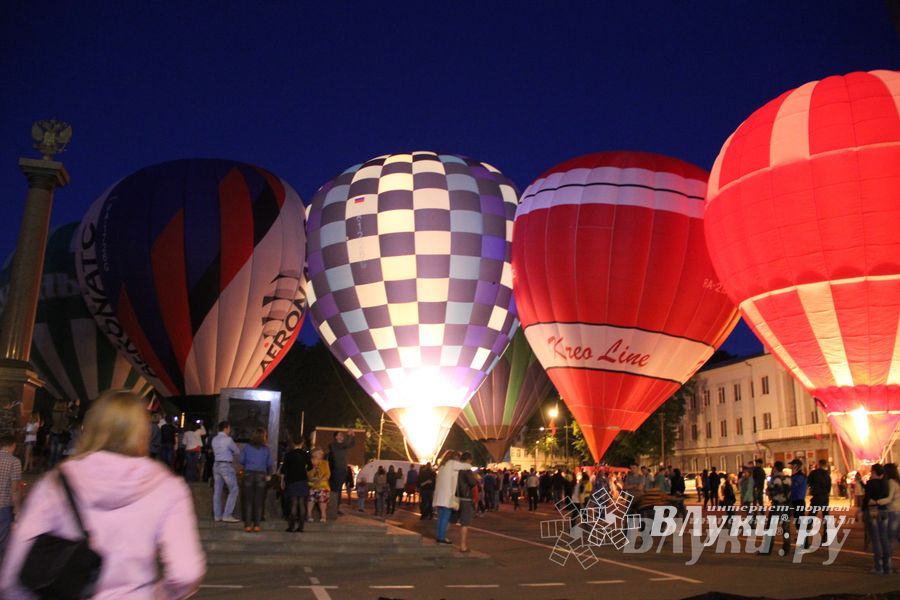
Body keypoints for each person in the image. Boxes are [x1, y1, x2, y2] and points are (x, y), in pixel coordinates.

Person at [0, 391, 205, 598]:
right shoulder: (167, 487)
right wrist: (157, 594)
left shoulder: (57, 482)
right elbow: (186, 572)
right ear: (142, 431)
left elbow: (15, 568)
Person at [239, 428, 272, 532]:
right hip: (261, 476)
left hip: (248, 474)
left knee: (248, 501)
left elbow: (241, 460)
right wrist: (269, 474)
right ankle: (257, 525)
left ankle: (248, 525)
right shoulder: (266, 449)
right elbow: (269, 464)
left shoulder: (247, 448)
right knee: (258, 501)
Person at [861, 464, 890, 574]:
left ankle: (879, 566)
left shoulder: (871, 483)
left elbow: (866, 499)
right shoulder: (885, 483)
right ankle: (887, 565)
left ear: (873, 472)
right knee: (884, 538)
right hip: (884, 510)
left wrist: (863, 510)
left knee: (875, 539)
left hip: (873, 511)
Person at [433, 450, 466, 544]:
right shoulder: (452, 465)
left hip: (440, 496)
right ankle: (442, 537)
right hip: (447, 496)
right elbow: (464, 467)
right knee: (445, 517)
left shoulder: (442, 466)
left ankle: (439, 536)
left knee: (440, 517)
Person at [211, 421, 241, 523]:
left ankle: (217, 515)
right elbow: (237, 451)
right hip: (226, 465)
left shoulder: (214, 439)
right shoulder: (228, 440)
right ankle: (227, 515)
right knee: (234, 489)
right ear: (226, 428)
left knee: (217, 491)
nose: (230, 430)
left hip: (216, 465)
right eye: (229, 428)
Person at [280, 435, 311, 532]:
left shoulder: (289, 454)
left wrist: (282, 481)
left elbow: (284, 469)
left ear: (292, 443)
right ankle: (301, 526)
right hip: (302, 479)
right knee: (302, 503)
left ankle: (291, 526)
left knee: (293, 502)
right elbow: (310, 466)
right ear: (302, 443)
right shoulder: (305, 454)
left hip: (292, 480)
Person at [0, 434, 22, 564]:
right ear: (12, 445)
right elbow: (15, 489)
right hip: (3, 507)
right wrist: (17, 510)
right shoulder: (14, 461)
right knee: (2, 540)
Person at [764, 461, 791, 556]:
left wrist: (769, 492)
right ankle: (786, 548)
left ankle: (767, 549)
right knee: (786, 527)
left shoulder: (774, 479)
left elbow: (769, 492)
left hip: (777, 506)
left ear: (775, 468)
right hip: (786, 506)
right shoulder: (788, 478)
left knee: (771, 527)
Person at [328, 430, 355, 517]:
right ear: (336, 437)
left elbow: (351, 444)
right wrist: (349, 436)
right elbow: (347, 444)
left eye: (342, 435)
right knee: (336, 490)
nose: (342, 436)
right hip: (338, 469)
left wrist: (352, 436)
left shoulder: (342, 446)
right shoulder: (334, 445)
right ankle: (334, 508)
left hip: (343, 470)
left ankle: (337, 508)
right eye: (340, 435)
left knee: (339, 489)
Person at [456, 452, 477, 552]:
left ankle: (441, 537)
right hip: (466, 497)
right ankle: (463, 545)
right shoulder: (467, 470)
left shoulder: (456, 469)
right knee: (465, 522)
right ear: (468, 460)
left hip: (456, 497)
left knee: (450, 519)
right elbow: (472, 483)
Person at [808, 459, 832, 539]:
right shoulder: (827, 474)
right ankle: (826, 535)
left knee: (811, 515)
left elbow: (809, 482)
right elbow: (829, 487)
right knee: (826, 516)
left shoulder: (814, 473)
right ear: (825, 465)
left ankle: (805, 533)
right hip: (825, 496)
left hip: (817, 496)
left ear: (818, 464)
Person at [306, 447, 331, 523]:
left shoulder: (325, 463)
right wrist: (314, 470)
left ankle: (323, 515)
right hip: (312, 484)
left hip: (322, 484)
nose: (321, 454)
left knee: (322, 496)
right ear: (314, 453)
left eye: (322, 453)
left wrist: (321, 479)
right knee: (311, 498)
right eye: (319, 453)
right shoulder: (309, 463)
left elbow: (328, 474)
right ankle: (309, 514)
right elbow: (307, 473)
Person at [789, 459, 808, 549]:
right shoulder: (795, 476)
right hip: (794, 501)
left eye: (792, 465)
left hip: (798, 501)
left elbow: (793, 485)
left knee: (799, 522)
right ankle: (803, 541)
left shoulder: (800, 476)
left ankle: (805, 542)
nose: (791, 467)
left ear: (796, 466)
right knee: (798, 522)